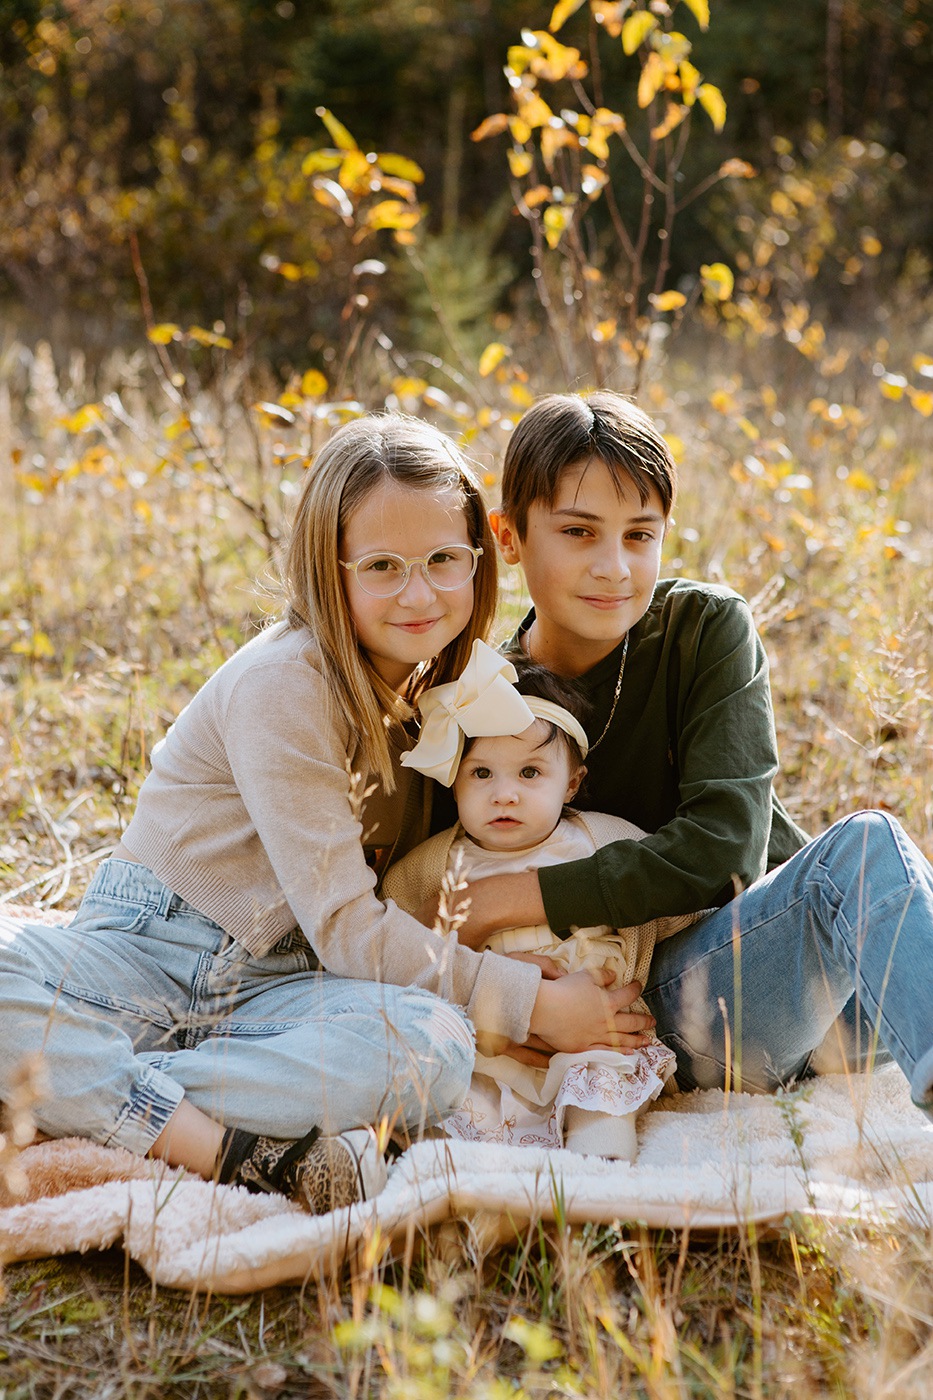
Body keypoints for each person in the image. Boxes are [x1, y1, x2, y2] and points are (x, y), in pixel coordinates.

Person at [0, 414, 644, 1215]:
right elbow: (349, 922)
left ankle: (66, 1092)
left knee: (432, 1048)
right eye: (382, 566)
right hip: (152, 956)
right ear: (327, 571)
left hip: (291, 993)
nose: (420, 593)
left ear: (480, 560)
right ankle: (222, 1147)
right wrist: (530, 1003)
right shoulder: (287, 682)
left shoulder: (443, 690)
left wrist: (518, 972)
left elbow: (372, 930)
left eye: (445, 559)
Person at [435, 390, 933, 1118]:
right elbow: (419, 898)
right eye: (578, 532)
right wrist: (521, 1000)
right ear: (507, 537)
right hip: (658, 1005)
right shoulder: (483, 699)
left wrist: (501, 902)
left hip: (812, 979)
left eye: (639, 535)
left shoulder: (701, 628)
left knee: (887, 882)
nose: (614, 567)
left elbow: (726, 849)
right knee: (866, 844)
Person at [384, 641, 703, 1159]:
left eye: (530, 773)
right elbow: (392, 939)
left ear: (572, 783)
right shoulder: (435, 865)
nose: (504, 793)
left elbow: (668, 897)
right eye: (481, 773)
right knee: (454, 1102)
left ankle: (598, 1177)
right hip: (489, 1039)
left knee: (601, 1092)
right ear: (455, 784)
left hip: (594, 1035)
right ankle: (465, 1182)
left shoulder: (603, 840)